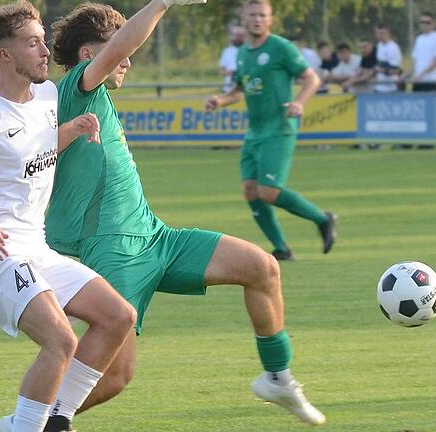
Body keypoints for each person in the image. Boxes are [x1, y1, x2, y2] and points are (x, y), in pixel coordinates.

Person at [44, 0, 327, 429]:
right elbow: (120, 47)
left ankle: (278, 377)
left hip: (158, 239)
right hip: (116, 251)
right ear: (90, 55)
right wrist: (161, 3)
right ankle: (29, 421)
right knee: (117, 376)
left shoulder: (96, 99)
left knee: (262, 267)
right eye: (118, 54)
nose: (128, 63)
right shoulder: (75, 90)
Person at [0, 2, 137, 432]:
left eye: (43, 41)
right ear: (5, 55)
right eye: (32, 43)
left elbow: (36, 149)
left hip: (36, 247)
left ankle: (55, 419)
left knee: (119, 317)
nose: (45, 51)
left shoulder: (48, 95)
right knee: (61, 340)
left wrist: (72, 128)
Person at [206, 0, 337, 261]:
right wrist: (219, 101)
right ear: (244, 18)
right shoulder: (242, 52)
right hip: (254, 132)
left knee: (269, 191)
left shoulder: (281, 47)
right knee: (251, 190)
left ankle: (323, 219)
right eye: (252, 14)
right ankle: (282, 248)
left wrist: (299, 103)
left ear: (270, 19)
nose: (257, 19)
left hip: (279, 128)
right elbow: (240, 89)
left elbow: (312, 78)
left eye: (262, 15)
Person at [409, 12, 436, 92]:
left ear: (433, 24)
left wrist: (422, 75)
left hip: (430, 82)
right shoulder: (419, 39)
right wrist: (406, 75)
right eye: (422, 22)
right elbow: (415, 61)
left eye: (428, 22)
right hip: (418, 82)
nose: (425, 25)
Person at [373, 23, 402, 93]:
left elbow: (396, 70)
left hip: (391, 89)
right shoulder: (378, 46)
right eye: (378, 33)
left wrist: (380, 69)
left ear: (388, 33)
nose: (380, 35)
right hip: (378, 87)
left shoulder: (393, 48)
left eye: (382, 33)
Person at [219, 26, 247, 92]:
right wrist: (230, 72)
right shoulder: (227, 51)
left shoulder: (248, 50)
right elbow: (222, 70)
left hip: (245, 87)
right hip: (228, 87)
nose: (238, 38)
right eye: (236, 35)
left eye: (241, 36)